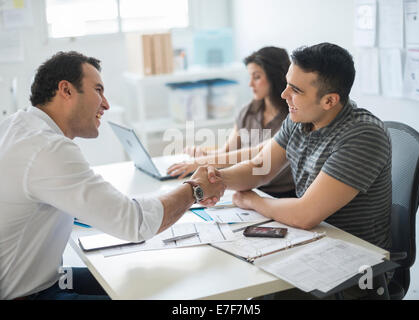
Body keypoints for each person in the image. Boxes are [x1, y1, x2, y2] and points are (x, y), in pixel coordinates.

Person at [0, 51, 225, 300]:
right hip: (29, 293)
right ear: (66, 90)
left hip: (45, 277)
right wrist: (195, 189)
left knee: (142, 279)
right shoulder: (48, 148)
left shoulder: (17, 126)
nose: (105, 103)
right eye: (98, 90)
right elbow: (134, 223)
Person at [206, 43, 392, 299]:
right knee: (231, 270)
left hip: (353, 266)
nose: (284, 95)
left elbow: (305, 214)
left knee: (257, 292)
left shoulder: (363, 136)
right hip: (311, 241)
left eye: (295, 90)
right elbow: (259, 168)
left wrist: (253, 200)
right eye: (287, 84)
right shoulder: (301, 119)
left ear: (329, 100)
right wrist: (215, 178)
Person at [167, 46, 296, 198]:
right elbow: (228, 151)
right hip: (249, 188)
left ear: (275, 76)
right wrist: (203, 155)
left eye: (257, 77)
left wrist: (203, 161)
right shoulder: (248, 111)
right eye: (250, 77)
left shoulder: (293, 117)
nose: (250, 84)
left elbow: (258, 155)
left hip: (279, 194)